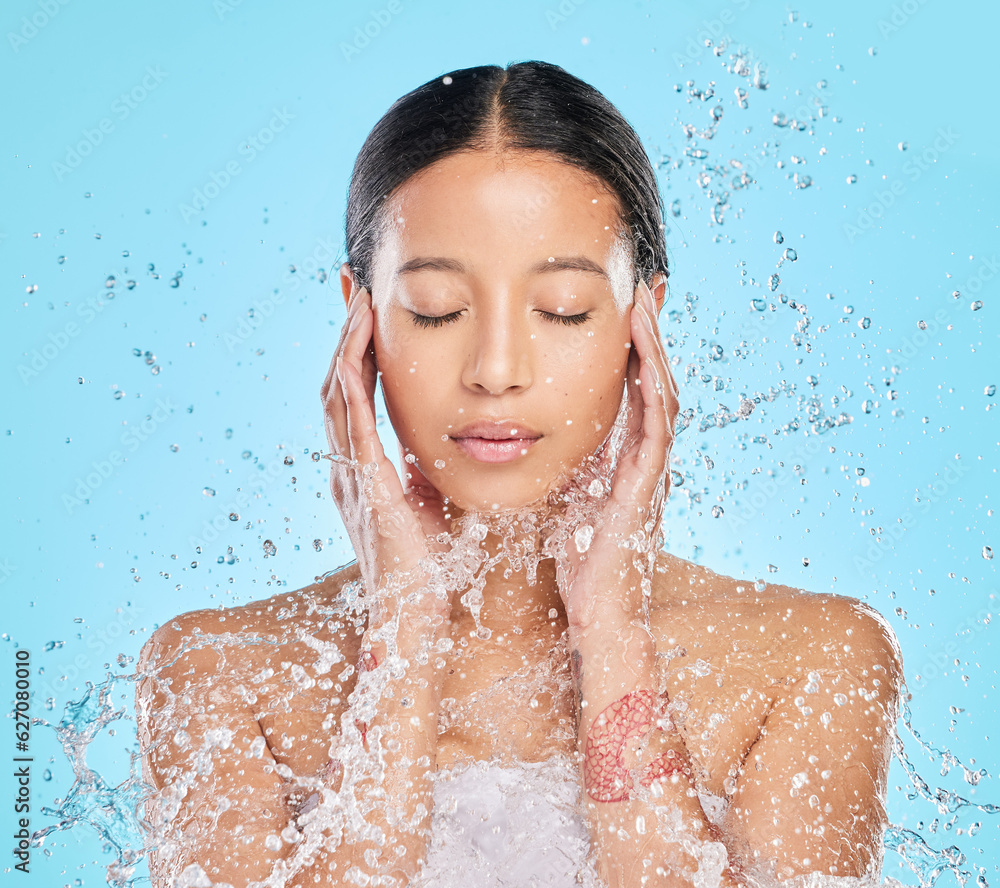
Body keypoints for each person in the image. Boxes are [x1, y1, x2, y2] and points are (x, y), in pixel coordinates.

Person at [136, 61, 903, 888]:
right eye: (436, 307)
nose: (496, 369)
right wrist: (404, 632)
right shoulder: (221, 674)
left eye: (563, 308)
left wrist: (611, 628)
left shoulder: (812, 663)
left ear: (641, 320)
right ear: (360, 321)